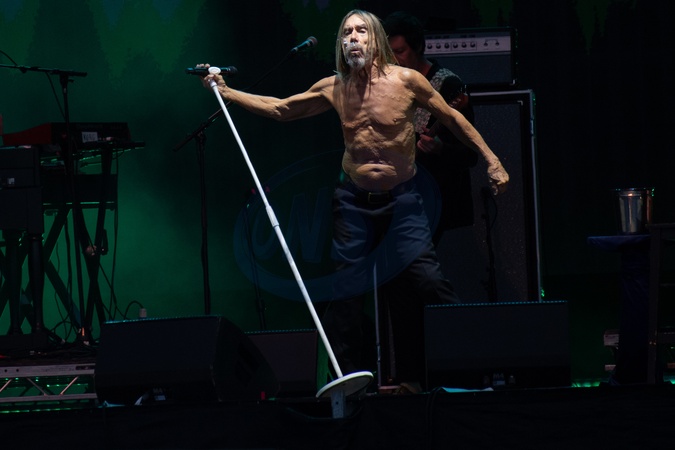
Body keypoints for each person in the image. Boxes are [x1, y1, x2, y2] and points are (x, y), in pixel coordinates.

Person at [197, 9, 509, 392]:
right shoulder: (334, 87)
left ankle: (480, 362)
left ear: (375, 39)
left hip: (403, 201)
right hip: (354, 203)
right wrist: (226, 92)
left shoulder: (407, 81)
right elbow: (281, 109)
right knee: (346, 293)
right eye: (347, 33)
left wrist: (492, 160)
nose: (353, 38)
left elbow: (453, 119)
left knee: (429, 282)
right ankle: (348, 383)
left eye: (361, 31)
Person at [384, 11, 478, 245]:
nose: (394, 61)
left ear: (418, 47)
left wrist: (440, 148)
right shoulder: (391, 85)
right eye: (389, 54)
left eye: (400, 51)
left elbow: (470, 155)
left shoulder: (448, 87)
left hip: (433, 200)